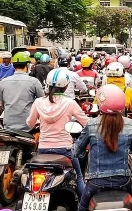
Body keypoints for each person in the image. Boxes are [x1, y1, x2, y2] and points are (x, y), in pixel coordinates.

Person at [68, 84, 132, 211]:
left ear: (100, 104)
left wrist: (83, 150)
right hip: (122, 181)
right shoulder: (130, 124)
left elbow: (76, 152)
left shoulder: (91, 124)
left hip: (95, 183)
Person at [27, 69, 89, 198]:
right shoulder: (70, 103)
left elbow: (30, 124)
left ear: (47, 85)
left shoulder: (38, 102)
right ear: (66, 86)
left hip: (43, 149)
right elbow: (86, 123)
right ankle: (83, 210)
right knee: (78, 177)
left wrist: (39, 122)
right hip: (65, 149)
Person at [0, 52, 45, 132]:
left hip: (8, 125)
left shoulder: (3, 82)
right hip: (29, 126)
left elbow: (2, 104)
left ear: (13, 65)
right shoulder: (34, 82)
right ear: (27, 65)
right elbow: (42, 102)